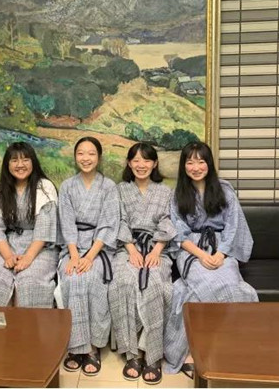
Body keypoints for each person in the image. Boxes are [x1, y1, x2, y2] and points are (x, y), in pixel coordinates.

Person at [163, 141, 258, 378]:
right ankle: (219, 349)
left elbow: (234, 226)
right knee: (213, 284)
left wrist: (220, 254)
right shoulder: (177, 195)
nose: (196, 167)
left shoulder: (225, 190)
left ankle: (203, 351)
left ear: (209, 163)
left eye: (201, 161)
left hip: (222, 248)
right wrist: (202, 254)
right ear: (184, 166)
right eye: (190, 162)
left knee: (226, 287)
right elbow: (178, 233)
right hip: (191, 251)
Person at [109, 142, 176, 385]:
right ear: (129, 163)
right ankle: (132, 353)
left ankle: (153, 355)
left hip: (158, 248)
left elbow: (168, 222)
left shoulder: (165, 192)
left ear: (154, 163)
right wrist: (131, 249)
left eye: (146, 160)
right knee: (123, 282)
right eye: (135, 160)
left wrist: (157, 249)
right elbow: (118, 220)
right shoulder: (119, 190)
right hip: (126, 247)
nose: (141, 165)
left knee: (155, 284)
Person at [59, 136, 120, 377]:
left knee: (93, 278)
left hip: (99, 248)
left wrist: (90, 256)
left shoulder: (109, 187)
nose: (86, 158)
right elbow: (66, 223)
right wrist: (74, 256)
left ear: (99, 157)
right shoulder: (67, 186)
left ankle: (93, 346)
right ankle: (77, 347)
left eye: (91, 153)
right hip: (72, 246)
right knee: (72, 277)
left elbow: (109, 224)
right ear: (75, 157)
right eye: (81, 153)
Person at [0, 142, 59, 308]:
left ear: (33, 162)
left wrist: (28, 257)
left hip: (40, 246)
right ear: (7, 164)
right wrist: (8, 256)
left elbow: (45, 228)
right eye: (14, 160)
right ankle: (2, 326)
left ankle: (28, 325)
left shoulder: (45, 187)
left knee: (28, 281)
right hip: (9, 244)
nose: (20, 165)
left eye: (25, 160)